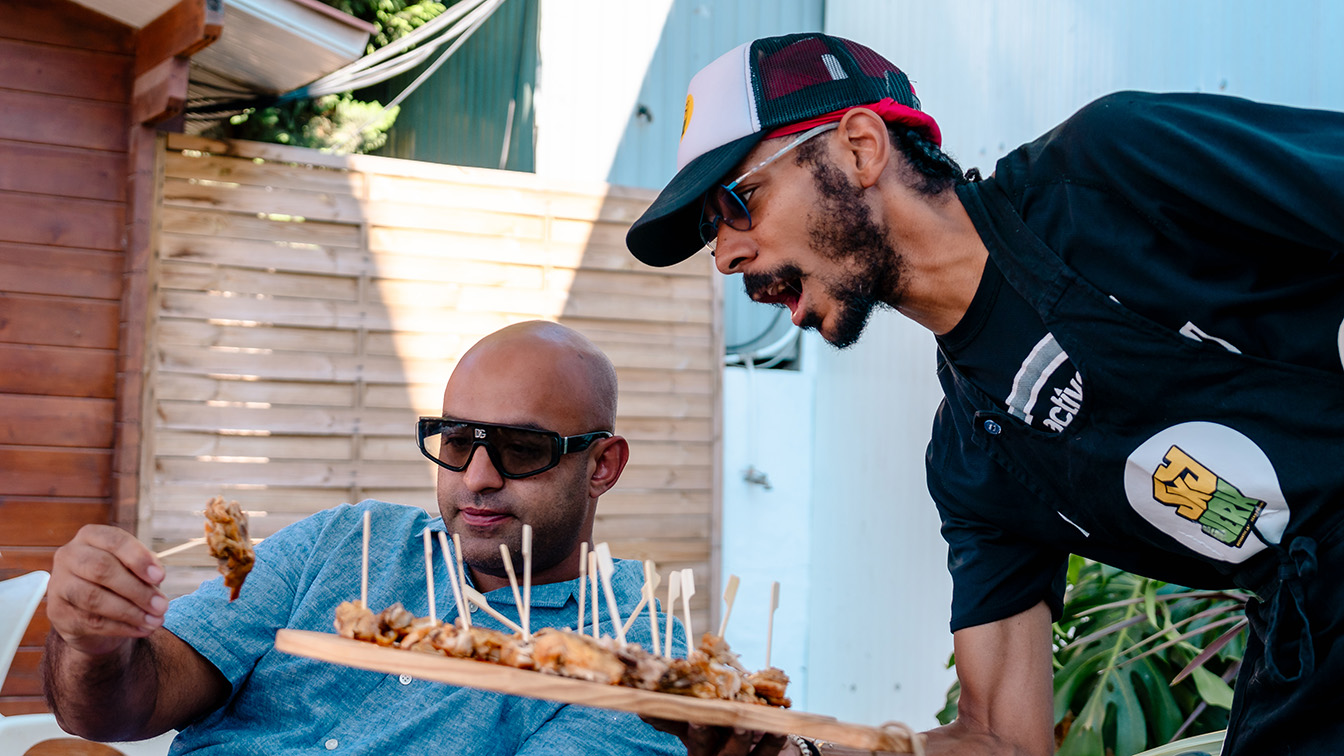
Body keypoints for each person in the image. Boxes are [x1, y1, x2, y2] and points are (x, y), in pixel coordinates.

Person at [626, 31, 1344, 756]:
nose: (724, 255)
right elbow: (1002, 740)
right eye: (711, 231)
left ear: (861, 147)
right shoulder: (975, 458)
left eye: (736, 201)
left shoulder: (1109, 173)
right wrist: (799, 751)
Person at [42, 320, 688, 755]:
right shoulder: (345, 542)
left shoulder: (640, 654)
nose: (478, 478)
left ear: (601, 465)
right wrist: (94, 647)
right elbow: (117, 714)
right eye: (458, 441)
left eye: (522, 448)